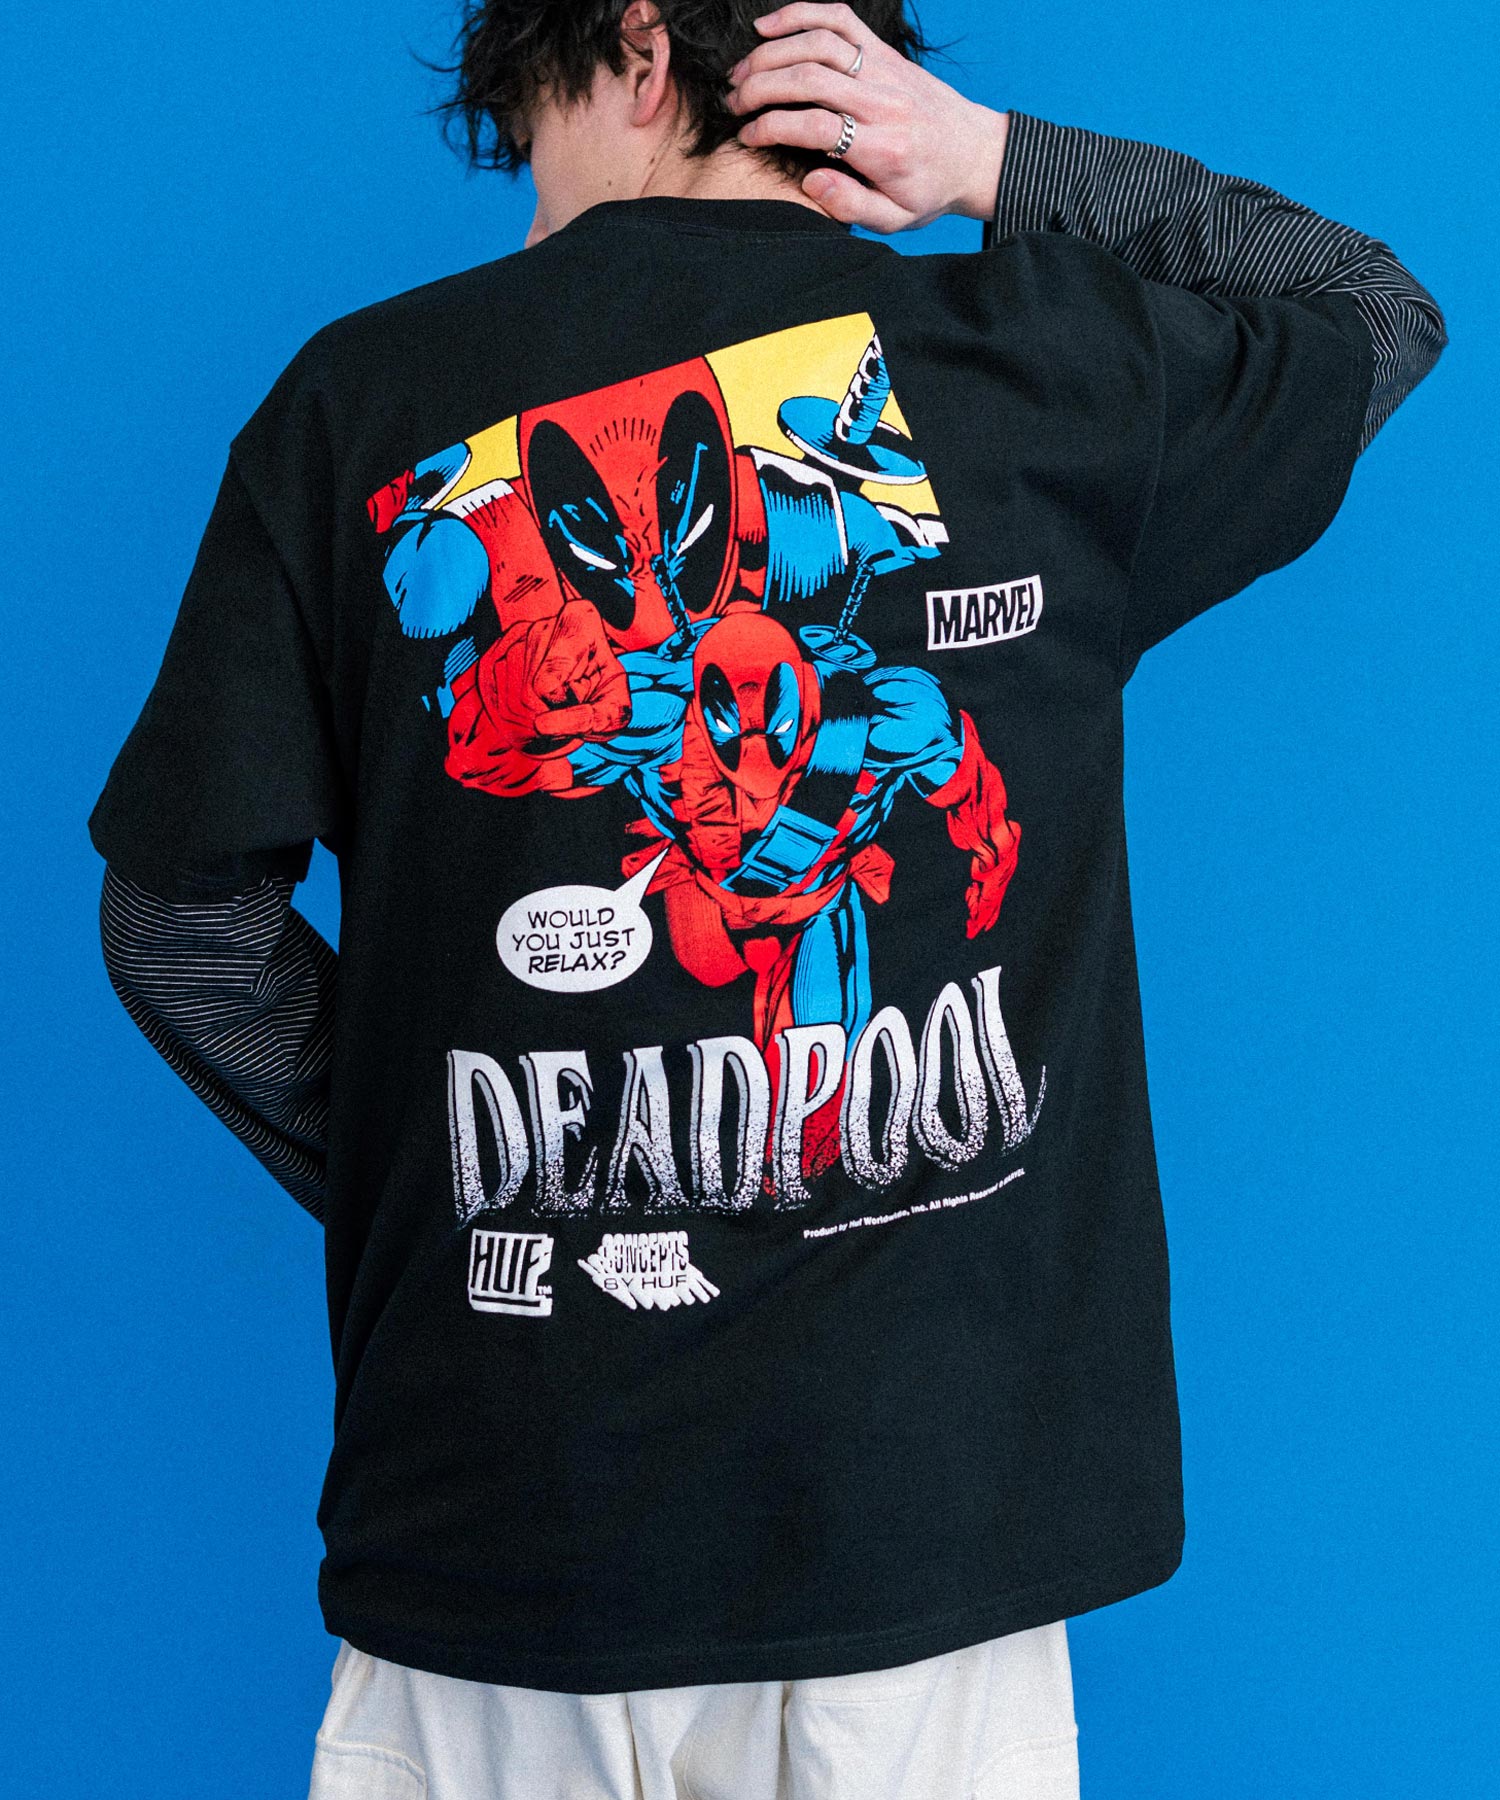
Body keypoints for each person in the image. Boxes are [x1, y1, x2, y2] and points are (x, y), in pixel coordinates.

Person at [87, 3, 1446, 1795]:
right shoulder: (1035, 361)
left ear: (639, 52)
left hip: (514, 1527)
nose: (534, 222)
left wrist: (451, 1174)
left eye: (535, 145)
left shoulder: (364, 404)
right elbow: (1369, 310)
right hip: (931, 1531)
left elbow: (182, 928)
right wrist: (991, 163)